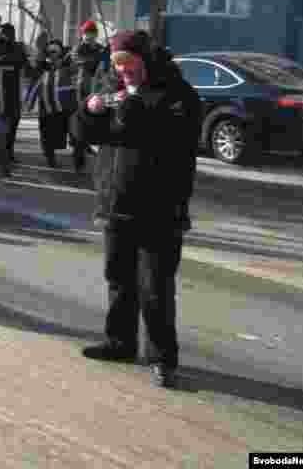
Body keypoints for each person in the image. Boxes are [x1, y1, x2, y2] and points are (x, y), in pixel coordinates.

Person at [71, 30, 202, 389]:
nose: (124, 72)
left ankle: (162, 358)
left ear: (146, 61)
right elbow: (85, 135)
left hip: (160, 208)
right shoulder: (112, 87)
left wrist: (132, 110)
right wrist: (88, 112)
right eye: (118, 66)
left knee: (154, 287)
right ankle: (120, 342)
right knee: (118, 279)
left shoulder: (177, 94)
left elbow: (173, 140)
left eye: (130, 65)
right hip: (116, 203)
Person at [0, 23, 33, 176]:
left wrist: (37, 65)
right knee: (1, 127)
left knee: (6, 127)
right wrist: (0, 61)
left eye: (10, 33)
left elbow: (27, 69)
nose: (7, 36)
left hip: (11, 94)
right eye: (4, 33)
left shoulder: (18, 48)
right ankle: (1, 164)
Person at [30, 39, 75, 169]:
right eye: (50, 51)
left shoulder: (67, 65)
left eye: (55, 51)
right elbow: (33, 80)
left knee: (67, 131)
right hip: (46, 106)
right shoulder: (41, 66)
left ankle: (78, 156)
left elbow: (75, 72)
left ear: (60, 52)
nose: (53, 54)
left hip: (64, 106)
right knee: (46, 132)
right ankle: (50, 157)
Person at [70, 20, 107, 171]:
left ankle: (89, 147)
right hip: (81, 90)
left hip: (97, 89)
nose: (89, 36)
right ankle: (78, 157)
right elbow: (83, 62)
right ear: (83, 34)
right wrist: (98, 58)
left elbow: (106, 64)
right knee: (81, 122)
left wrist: (105, 54)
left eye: (92, 33)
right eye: (87, 33)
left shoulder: (100, 48)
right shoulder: (78, 48)